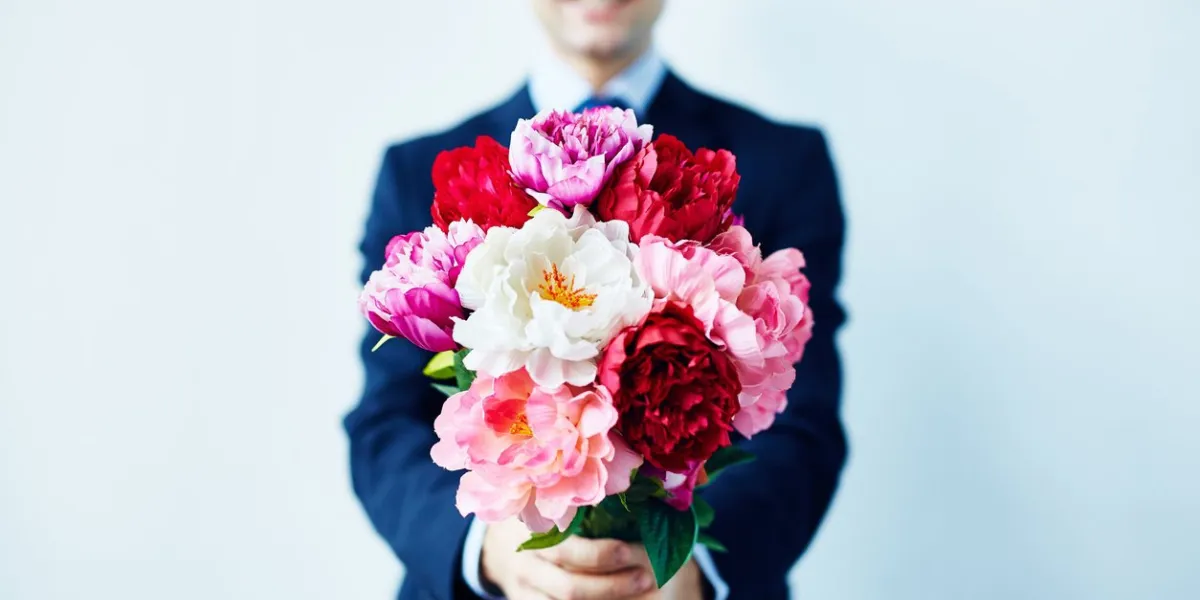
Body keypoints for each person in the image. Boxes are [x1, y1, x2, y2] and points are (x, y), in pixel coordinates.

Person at [344, 1, 848, 598]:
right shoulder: (420, 171)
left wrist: (690, 568)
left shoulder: (780, 163)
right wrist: (488, 551)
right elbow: (384, 420)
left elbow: (804, 423)